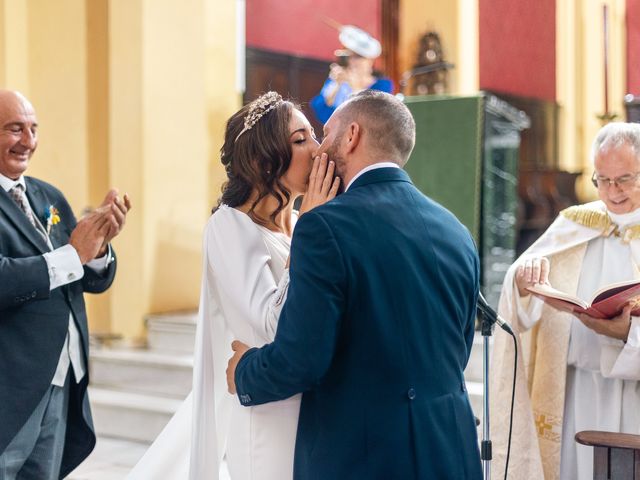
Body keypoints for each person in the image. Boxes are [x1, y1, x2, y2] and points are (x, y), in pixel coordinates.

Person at [227, 90, 483, 479]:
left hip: (363, 457)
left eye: (325, 133)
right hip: (451, 451)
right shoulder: (456, 231)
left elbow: (303, 359)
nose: (318, 149)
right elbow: (457, 351)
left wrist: (245, 371)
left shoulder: (324, 226)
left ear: (351, 136)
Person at [126, 91, 339, 480]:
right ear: (262, 160)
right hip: (268, 416)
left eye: (314, 134)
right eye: (300, 140)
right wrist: (311, 228)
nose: (318, 148)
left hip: (314, 410)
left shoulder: (297, 224)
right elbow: (268, 327)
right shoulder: (230, 226)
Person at [490, 122, 640, 480]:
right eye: (602, 180)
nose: (613, 191)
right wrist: (524, 283)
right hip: (574, 393)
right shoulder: (573, 225)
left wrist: (626, 334)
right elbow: (520, 290)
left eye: (624, 179)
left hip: (634, 392)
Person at [0, 89, 130, 479]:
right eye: (14, 129)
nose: (28, 141)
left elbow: (84, 275)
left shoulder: (48, 196)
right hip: (11, 383)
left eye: (33, 129)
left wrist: (101, 245)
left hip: (60, 378)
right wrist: (73, 255)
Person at [310, 26, 393, 124]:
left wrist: (355, 85)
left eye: (358, 57)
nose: (352, 61)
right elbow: (321, 110)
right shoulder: (338, 79)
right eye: (349, 56)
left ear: (370, 60)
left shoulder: (382, 85)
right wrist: (336, 84)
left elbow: (373, 114)